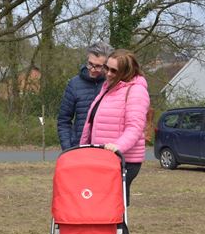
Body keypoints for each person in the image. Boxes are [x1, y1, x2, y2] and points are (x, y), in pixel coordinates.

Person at [79, 49, 150, 205]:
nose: (108, 73)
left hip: (122, 161)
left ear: (126, 72)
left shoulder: (136, 91)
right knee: (97, 207)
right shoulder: (109, 87)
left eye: (114, 70)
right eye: (107, 68)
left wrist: (117, 147)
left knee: (112, 210)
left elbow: (135, 128)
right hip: (102, 158)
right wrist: (84, 148)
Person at [57, 42, 114, 151]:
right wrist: (68, 148)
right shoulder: (74, 84)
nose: (92, 69)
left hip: (106, 150)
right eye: (90, 64)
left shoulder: (114, 85)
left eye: (98, 66)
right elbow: (64, 120)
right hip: (78, 149)